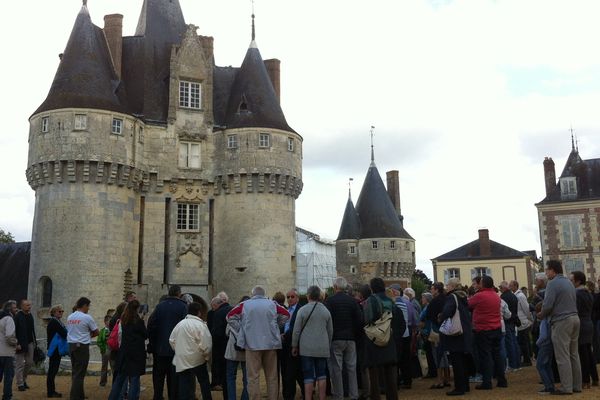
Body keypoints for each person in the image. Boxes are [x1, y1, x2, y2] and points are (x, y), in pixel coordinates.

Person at [226, 285, 290, 400]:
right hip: (271, 344)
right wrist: (275, 327)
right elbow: (286, 314)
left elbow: (230, 316)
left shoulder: (245, 305)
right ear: (264, 294)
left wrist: (242, 330)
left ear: (253, 294)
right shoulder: (272, 304)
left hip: (252, 344)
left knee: (253, 377)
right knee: (272, 377)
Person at [538, 260, 582, 395]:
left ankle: (566, 387)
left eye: (547, 270)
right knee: (574, 354)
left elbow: (548, 305)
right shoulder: (569, 282)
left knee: (562, 356)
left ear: (552, 270)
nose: (546, 273)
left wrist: (541, 314)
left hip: (562, 321)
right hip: (575, 318)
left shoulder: (552, 283)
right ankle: (576, 386)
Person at [147, 285, 188, 400]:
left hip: (160, 349)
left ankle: (158, 396)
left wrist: (153, 342)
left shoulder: (160, 306)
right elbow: (185, 328)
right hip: (176, 349)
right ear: (179, 293)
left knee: (158, 376)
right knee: (173, 377)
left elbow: (151, 326)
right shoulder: (183, 307)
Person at [292, 286, 333, 400]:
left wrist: (294, 345)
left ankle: (308, 398)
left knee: (308, 375)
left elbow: (296, 330)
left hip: (307, 348)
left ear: (308, 296)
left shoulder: (302, 310)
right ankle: (322, 397)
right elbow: (330, 331)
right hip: (322, 348)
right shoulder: (326, 311)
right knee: (322, 375)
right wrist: (328, 345)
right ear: (319, 296)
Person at [325, 277, 363, 400]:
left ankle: (339, 395)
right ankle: (354, 395)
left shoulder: (330, 301)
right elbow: (359, 320)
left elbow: (327, 321)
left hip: (336, 338)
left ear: (335, 287)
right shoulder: (352, 301)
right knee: (352, 368)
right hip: (350, 338)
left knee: (337, 369)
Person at [468, 275, 507, 391]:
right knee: (497, 355)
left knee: (486, 356)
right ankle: (502, 380)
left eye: (480, 283)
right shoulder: (496, 296)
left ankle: (487, 382)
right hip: (496, 328)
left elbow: (468, 305)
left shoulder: (479, 296)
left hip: (483, 330)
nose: (478, 285)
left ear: (483, 284)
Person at [363, 278, 400, 400]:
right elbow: (396, 319)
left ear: (372, 288)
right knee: (390, 374)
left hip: (375, 339)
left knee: (374, 374)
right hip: (389, 338)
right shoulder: (390, 301)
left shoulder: (370, 300)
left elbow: (367, 319)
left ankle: (376, 397)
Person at [169, 301, 213, 400]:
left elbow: (171, 340)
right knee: (204, 381)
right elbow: (207, 344)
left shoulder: (180, 324)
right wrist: (206, 356)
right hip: (198, 359)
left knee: (184, 383)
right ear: (199, 312)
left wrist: (179, 350)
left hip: (183, 359)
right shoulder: (201, 325)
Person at [439, 278, 473, 396]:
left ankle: (459, 388)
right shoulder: (463, 296)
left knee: (457, 361)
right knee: (463, 361)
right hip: (465, 331)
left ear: (452, 286)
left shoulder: (452, 297)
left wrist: (441, 316)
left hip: (456, 333)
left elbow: (447, 311)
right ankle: (466, 385)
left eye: (447, 285)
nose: (446, 287)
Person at [108, 300, 147, 400]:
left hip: (124, 352)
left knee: (119, 379)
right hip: (136, 354)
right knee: (134, 379)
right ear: (137, 308)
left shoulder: (123, 320)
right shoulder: (138, 321)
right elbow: (145, 335)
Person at [67, 297, 99, 400]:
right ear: (84, 305)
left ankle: (80, 395)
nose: (88, 308)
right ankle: (75, 397)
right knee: (80, 373)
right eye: (88, 306)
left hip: (71, 345)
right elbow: (96, 331)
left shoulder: (70, 317)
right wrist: (87, 336)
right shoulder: (87, 317)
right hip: (82, 346)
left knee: (75, 371)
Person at [570, 271, 598, 388]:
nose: (570, 282)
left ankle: (585, 380)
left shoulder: (577, 294)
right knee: (588, 352)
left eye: (572, 280)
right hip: (589, 323)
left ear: (578, 281)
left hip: (581, 324)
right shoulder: (588, 293)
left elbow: (576, 309)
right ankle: (595, 378)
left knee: (583, 353)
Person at [225, 296, 250, 400]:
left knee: (231, 377)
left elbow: (226, 332)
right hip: (247, 351)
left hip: (232, 350)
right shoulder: (250, 318)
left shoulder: (233, 316)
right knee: (247, 379)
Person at [281, 289, 304, 400]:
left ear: (297, 298)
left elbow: (296, 327)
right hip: (285, 345)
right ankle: (288, 395)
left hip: (295, 344)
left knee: (294, 373)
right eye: (288, 297)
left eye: (292, 296)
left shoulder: (300, 310)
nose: (289, 299)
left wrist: (284, 335)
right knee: (287, 372)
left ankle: (291, 395)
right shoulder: (285, 310)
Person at [427, 282, 451, 389]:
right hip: (447, 330)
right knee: (445, 354)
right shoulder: (447, 299)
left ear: (437, 290)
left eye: (432, 289)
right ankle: (447, 378)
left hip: (437, 330)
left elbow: (429, 315)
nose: (431, 291)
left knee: (438, 354)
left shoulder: (434, 301)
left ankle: (440, 380)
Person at [209, 294, 232, 397]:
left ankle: (227, 396)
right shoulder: (233, 309)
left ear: (216, 304)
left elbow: (216, 333)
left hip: (222, 348)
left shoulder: (218, 313)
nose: (212, 309)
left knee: (225, 374)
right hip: (234, 346)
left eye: (212, 306)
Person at [14, 299, 35, 392]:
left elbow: (32, 330)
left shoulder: (30, 316)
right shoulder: (17, 316)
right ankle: (20, 384)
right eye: (27, 305)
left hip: (30, 342)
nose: (29, 307)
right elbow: (13, 331)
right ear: (22, 306)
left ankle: (23, 380)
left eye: (29, 305)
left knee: (29, 363)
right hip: (20, 343)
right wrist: (16, 343)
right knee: (19, 364)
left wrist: (35, 342)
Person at [47, 304, 67, 398]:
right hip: (55, 349)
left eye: (62, 311)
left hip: (55, 348)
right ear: (54, 312)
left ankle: (51, 391)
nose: (61, 313)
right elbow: (64, 333)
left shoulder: (56, 321)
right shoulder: (55, 322)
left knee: (53, 370)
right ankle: (50, 392)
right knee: (52, 371)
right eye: (59, 311)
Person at [510, 280, 533, 366]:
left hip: (523, 321)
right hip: (521, 321)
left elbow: (526, 308)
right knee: (523, 341)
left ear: (515, 286)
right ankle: (527, 358)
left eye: (511, 286)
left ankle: (527, 360)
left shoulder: (520, 296)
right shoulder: (516, 295)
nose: (510, 287)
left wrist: (529, 319)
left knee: (523, 342)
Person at [499, 281, 520, 371]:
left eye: (500, 288)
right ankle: (517, 363)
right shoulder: (513, 296)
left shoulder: (503, 297)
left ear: (504, 288)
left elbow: (505, 311)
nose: (499, 289)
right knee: (514, 342)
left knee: (509, 343)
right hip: (513, 321)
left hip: (507, 321)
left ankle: (512, 364)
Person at [0, 300, 17, 400]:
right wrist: (16, 342)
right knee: (8, 377)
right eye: (15, 308)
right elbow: (9, 336)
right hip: (7, 353)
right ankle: (7, 397)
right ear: (10, 309)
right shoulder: (9, 319)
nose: (16, 309)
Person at [419, 292, 437, 379]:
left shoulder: (427, 307)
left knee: (429, 352)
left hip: (427, 331)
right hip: (427, 331)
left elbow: (421, 317)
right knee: (429, 352)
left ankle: (432, 371)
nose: (422, 300)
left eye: (423, 298)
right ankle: (432, 371)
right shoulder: (427, 307)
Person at [97, 315, 111, 387]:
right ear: (105, 322)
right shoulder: (102, 331)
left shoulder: (113, 330)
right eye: (109, 321)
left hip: (112, 351)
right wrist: (103, 349)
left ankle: (116, 383)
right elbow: (99, 341)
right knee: (104, 367)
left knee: (114, 367)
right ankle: (103, 382)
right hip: (105, 351)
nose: (110, 322)